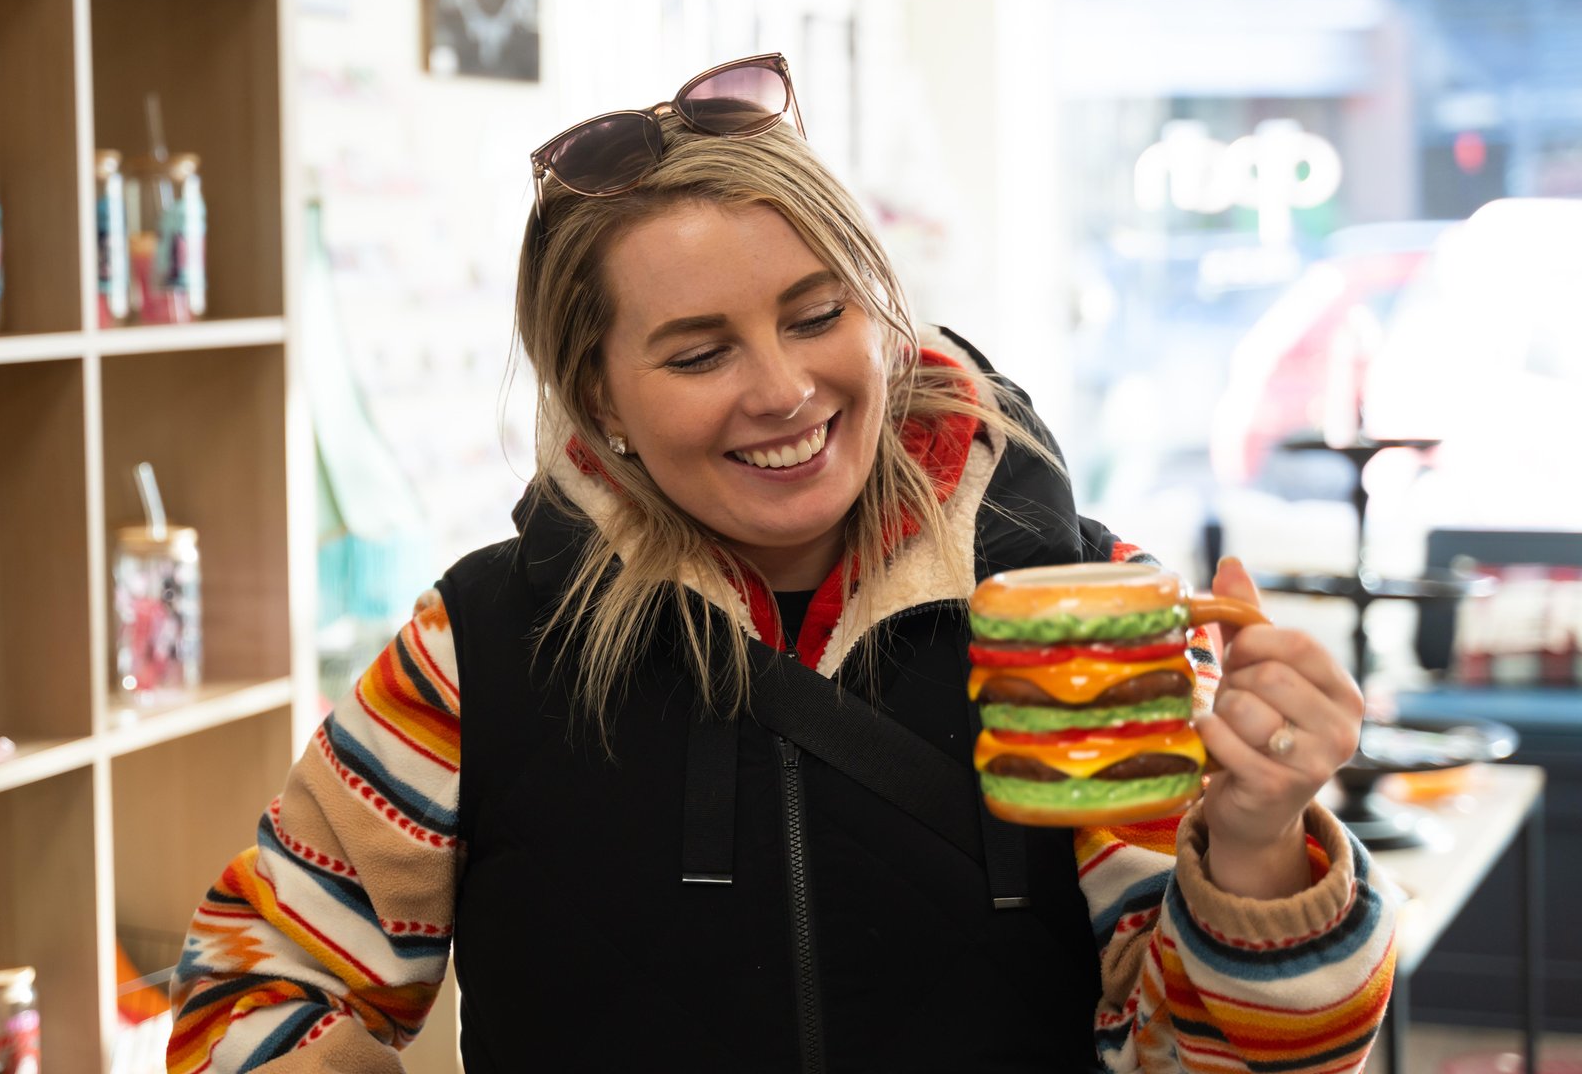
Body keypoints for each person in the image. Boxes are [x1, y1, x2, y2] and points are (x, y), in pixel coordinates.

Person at [169, 54, 1396, 1073]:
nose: (784, 389)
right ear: (599, 395)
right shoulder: (477, 650)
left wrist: (1258, 839)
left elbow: (1230, 1059)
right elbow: (251, 981)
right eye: (699, 353)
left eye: (817, 315)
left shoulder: (1084, 612)